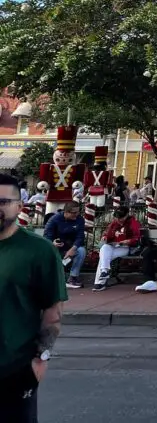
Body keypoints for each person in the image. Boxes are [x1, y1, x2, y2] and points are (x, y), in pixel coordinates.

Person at [0, 173, 67, 423]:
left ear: (19, 206)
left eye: (2, 202)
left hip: (13, 369)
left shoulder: (39, 251)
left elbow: (53, 313)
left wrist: (41, 360)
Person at [92, 206, 143, 291]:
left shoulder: (133, 223)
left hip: (125, 247)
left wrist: (128, 241)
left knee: (103, 257)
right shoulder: (114, 223)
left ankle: (100, 282)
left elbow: (137, 238)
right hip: (113, 246)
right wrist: (104, 237)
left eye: (121, 217)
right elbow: (107, 234)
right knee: (104, 247)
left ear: (127, 215)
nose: (119, 219)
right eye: (117, 217)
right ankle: (104, 271)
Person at [42, 201, 87, 289]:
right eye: (74, 213)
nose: (76, 214)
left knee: (81, 251)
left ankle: (73, 277)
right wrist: (52, 243)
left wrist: (73, 248)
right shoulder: (54, 219)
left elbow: (80, 236)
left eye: (78, 212)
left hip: (70, 247)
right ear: (66, 212)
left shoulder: (80, 219)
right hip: (55, 247)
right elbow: (46, 236)